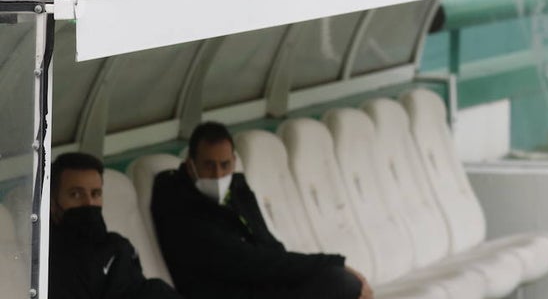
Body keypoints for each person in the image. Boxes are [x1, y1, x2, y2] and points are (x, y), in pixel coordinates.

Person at [150, 122, 371, 299]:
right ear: (191, 166)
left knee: (338, 280)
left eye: (225, 165)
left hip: (261, 286)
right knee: (340, 283)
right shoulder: (179, 207)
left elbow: (270, 246)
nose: (218, 175)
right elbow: (249, 262)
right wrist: (331, 261)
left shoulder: (237, 190)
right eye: (209, 165)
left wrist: (329, 266)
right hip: (231, 291)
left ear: (234, 162)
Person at [49, 152, 181, 299]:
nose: (89, 203)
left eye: (95, 194)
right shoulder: (49, 262)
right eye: (76, 194)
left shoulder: (118, 247)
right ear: (52, 203)